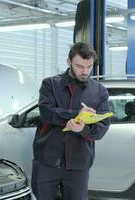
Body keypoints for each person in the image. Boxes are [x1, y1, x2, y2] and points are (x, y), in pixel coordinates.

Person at [31, 42, 111, 200]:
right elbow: (47, 113)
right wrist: (76, 114)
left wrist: (82, 129)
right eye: (80, 66)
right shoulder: (50, 84)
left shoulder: (99, 91)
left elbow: (101, 128)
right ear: (69, 62)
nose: (85, 71)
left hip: (78, 164)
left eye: (89, 67)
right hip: (48, 160)